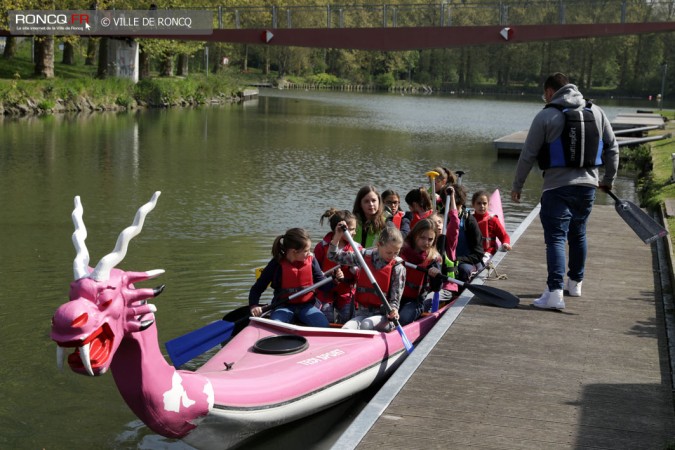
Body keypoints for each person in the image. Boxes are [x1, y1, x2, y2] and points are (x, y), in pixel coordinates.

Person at [511, 72, 619, 310]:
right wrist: (608, 179)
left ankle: (554, 293)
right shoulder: (597, 112)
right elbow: (612, 147)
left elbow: (528, 154)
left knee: (556, 238)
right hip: (588, 187)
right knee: (578, 233)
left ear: (550, 92)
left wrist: (517, 185)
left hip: (556, 187)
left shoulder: (546, 115)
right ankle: (576, 283)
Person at [249, 228, 332, 327]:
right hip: (283, 306)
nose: (310, 253)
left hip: (307, 306)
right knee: (276, 327)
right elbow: (257, 288)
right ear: (294, 252)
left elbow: (323, 286)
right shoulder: (276, 264)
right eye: (306, 250)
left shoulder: (312, 261)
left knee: (323, 325)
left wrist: (335, 280)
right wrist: (254, 306)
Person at [329, 224, 405, 331]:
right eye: (389, 252)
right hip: (361, 313)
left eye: (396, 253)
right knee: (346, 328)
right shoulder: (363, 256)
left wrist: (394, 310)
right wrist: (337, 236)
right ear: (379, 245)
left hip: (384, 317)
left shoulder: (398, 268)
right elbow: (333, 256)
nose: (392, 256)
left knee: (366, 325)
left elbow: (395, 300)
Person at [314, 209, 358, 324]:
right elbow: (314, 272)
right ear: (338, 230)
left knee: (347, 319)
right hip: (325, 292)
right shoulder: (321, 247)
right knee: (326, 318)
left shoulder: (357, 248)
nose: (355, 233)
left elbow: (360, 275)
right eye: (352, 229)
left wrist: (354, 271)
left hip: (346, 293)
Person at [398, 219, 442, 324]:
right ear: (414, 235)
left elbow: (437, 288)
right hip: (393, 296)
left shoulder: (433, 259)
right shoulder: (399, 250)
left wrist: (436, 276)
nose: (426, 242)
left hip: (414, 301)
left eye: (430, 239)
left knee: (403, 319)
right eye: (422, 238)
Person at [453, 184, 485, 282]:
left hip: (465, 261)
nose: (452, 211)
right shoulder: (440, 219)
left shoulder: (469, 221)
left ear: (461, 204)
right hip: (444, 260)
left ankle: (460, 291)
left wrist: (457, 260)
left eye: (456, 207)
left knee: (463, 270)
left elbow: (478, 254)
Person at [471, 190, 512, 262]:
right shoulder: (469, 219)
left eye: (484, 203)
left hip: (488, 252)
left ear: (488, 205)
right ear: (473, 205)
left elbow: (504, 235)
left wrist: (505, 243)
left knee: (482, 262)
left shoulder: (493, 220)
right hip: (472, 252)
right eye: (479, 203)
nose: (482, 206)